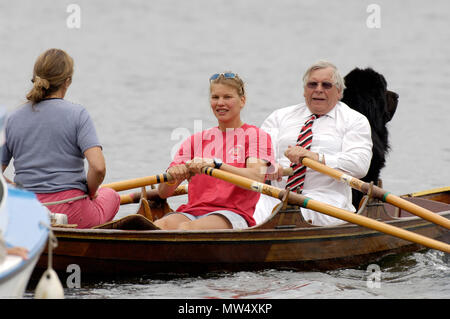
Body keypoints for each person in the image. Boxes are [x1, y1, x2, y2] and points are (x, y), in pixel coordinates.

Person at [1, 48, 120, 229]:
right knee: (111, 195)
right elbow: (98, 168)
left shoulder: (12, 119)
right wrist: (91, 192)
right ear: (67, 81)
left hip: (27, 210)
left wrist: (16, 189)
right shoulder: (78, 114)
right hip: (72, 211)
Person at [253, 60, 373, 226]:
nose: (318, 89)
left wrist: (316, 157)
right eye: (312, 84)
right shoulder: (279, 117)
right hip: (276, 194)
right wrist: (268, 165)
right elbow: (258, 154)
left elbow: (360, 165)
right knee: (244, 212)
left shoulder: (355, 121)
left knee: (292, 215)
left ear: (339, 92)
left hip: (325, 201)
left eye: (326, 85)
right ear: (304, 91)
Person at [156, 72, 275, 230]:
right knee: (158, 226)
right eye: (215, 97)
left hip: (233, 214)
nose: (220, 103)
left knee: (186, 229)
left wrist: (217, 165)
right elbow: (163, 193)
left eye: (227, 97)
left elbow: (255, 178)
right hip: (192, 211)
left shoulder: (255, 136)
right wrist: (173, 177)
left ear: (242, 101)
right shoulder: (195, 140)